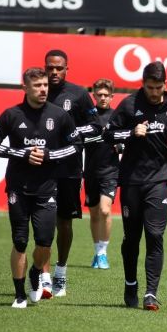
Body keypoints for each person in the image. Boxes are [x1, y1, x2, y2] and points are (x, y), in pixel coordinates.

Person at [0, 67, 81, 308]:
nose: (43, 89)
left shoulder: (59, 115)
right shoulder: (12, 115)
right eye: (37, 86)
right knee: (19, 240)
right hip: (18, 187)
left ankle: (36, 272)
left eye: (45, 85)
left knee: (44, 241)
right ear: (25, 88)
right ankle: (19, 294)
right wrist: (22, 153)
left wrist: (49, 155)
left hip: (47, 189)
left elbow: (76, 145)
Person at [103, 62, 167, 311]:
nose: (154, 92)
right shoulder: (129, 104)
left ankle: (151, 293)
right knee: (132, 238)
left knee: (155, 235)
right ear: (142, 84)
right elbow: (107, 134)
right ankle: (130, 283)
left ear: (165, 85)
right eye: (150, 87)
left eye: (159, 87)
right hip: (131, 180)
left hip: (159, 178)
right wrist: (130, 132)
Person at [42, 49, 101, 298]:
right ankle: (44, 278)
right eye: (50, 68)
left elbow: (96, 126)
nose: (54, 72)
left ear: (67, 68)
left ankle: (61, 273)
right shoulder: (39, 92)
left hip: (69, 168)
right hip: (42, 168)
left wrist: (73, 133)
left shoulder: (78, 94)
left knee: (64, 222)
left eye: (59, 68)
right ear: (45, 68)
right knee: (43, 221)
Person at [83, 79, 121, 270]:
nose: (103, 98)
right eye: (99, 95)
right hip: (90, 172)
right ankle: (97, 251)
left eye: (106, 95)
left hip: (110, 171)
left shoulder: (117, 117)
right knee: (94, 214)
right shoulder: (88, 117)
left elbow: (126, 139)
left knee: (105, 210)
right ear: (94, 96)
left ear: (112, 97)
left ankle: (103, 253)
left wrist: (121, 145)